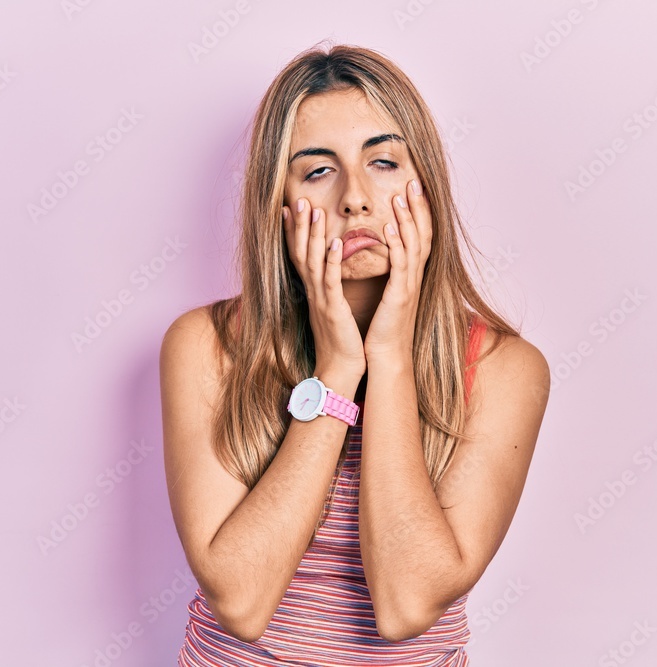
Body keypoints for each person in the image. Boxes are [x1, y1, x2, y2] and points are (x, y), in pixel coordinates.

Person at [160, 42, 550, 666]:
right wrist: (337, 371)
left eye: (384, 162)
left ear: (425, 181)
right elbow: (240, 602)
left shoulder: (503, 369)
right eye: (318, 170)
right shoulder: (206, 346)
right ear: (278, 204)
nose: (356, 199)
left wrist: (389, 356)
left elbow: (406, 604)